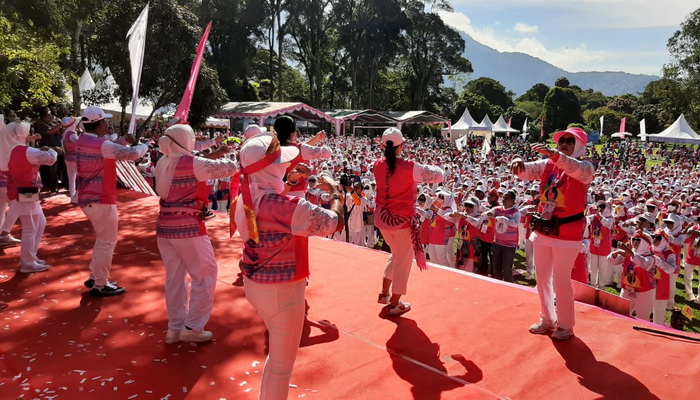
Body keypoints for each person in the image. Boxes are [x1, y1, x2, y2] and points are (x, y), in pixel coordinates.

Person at [233, 134, 344, 400]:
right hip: (282, 292)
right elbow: (335, 223)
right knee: (282, 368)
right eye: (280, 164)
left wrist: (291, 182)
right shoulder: (283, 207)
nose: (285, 168)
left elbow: (271, 196)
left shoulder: (244, 197)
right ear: (270, 168)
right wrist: (336, 193)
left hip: (256, 284)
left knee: (277, 360)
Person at [154, 124, 238, 343]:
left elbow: (197, 162)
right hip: (188, 228)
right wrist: (228, 155)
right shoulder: (191, 163)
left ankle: (174, 328)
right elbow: (228, 168)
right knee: (205, 274)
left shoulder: (162, 161)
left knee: (175, 277)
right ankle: (193, 327)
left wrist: (212, 154)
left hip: (164, 226)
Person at [511, 127, 594, 340]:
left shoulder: (586, 167)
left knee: (561, 280)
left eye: (570, 140)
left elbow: (574, 169)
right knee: (543, 278)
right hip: (544, 229)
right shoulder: (548, 164)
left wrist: (556, 156)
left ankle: (566, 324)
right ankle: (547, 319)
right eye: (561, 140)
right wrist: (518, 160)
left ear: (580, 146)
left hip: (567, 232)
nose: (564, 142)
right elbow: (523, 171)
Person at [75, 107, 148, 297]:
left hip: (89, 197)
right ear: (98, 124)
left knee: (103, 240)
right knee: (106, 241)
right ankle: (100, 282)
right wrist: (143, 146)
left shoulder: (82, 140)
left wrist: (123, 141)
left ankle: (95, 276)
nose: (107, 124)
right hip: (101, 198)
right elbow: (130, 154)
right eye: (105, 121)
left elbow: (111, 148)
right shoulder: (101, 145)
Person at [374, 128, 444, 315]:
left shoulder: (376, 165)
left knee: (396, 255)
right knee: (403, 261)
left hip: (382, 220)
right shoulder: (410, 167)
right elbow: (439, 175)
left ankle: (384, 294)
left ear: (382, 145)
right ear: (402, 145)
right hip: (401, 221)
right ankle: (395, 304)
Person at [5, 122, 58, 272]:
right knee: (31, 228)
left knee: (40, 223)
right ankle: (28, 262)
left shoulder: (12, 149)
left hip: (22, 190)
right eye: (28, 133)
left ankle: (30, 258)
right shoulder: (25, 151)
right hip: (26, 191)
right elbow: (50, 159)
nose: (30, 135)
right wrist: (51, 150)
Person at [490, 189, 521, 282]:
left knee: (506, 269)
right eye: (503, 198)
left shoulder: (516, 212)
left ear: (512, 201)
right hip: (497, 243)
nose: (503, 200)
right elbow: (489, 212)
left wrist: (505, 219)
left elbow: (515, 223)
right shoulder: (498, 209)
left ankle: (509, 288)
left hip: (509, 245)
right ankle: (498, 286)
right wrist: (488, 214)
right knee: (496, 267)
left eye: (506, 198)